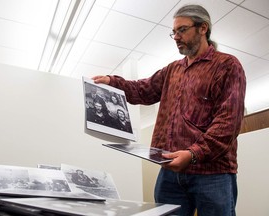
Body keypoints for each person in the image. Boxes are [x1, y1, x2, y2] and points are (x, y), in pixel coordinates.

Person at [92, 4, 246, 216]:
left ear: (203, 28)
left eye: (182, 30)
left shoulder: (227, 65)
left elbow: (228, 122)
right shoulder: (173, 69)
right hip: (170, 173)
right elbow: (143, 90)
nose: (176, 36)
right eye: (174, 32)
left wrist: (193, 154)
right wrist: (113, 82)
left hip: (212, 174)